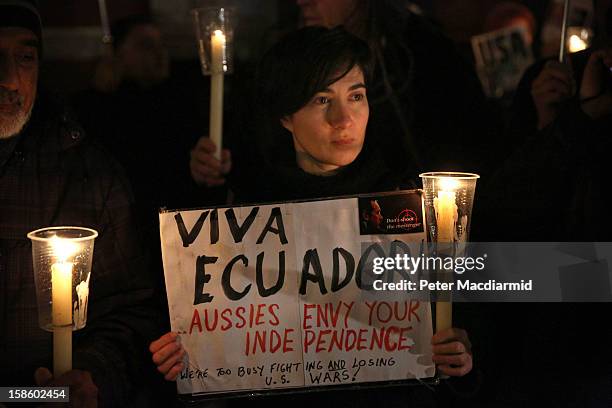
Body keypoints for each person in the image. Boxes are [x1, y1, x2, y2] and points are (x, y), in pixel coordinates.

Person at [151, 27, 477, 407]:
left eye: (356, 96)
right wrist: (181, 355)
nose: (344, 119)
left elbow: (458, 341)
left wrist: (461, 357)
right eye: (322, 99)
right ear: (285, 116)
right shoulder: (240, 212)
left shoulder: (414, 208)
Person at [0, 2, 164, 405]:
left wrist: (91, 374)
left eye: (24, 58)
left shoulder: (86, 175)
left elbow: (134, 310)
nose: (8, 79)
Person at [191, 0, 499, 191]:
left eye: (356, 96)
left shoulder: (427, 59)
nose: (303, 1)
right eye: (321, 98)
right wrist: (216, 169)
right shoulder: (281, 61)